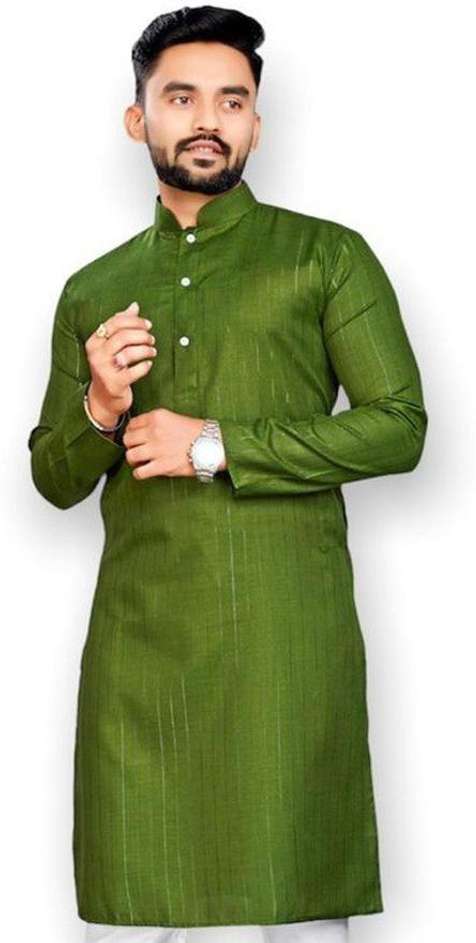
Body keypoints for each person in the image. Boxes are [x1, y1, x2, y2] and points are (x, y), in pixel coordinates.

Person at [27, 6, 428, 943]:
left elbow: (399, 427)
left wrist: (215, 444)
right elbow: (53, 477)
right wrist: (100, 403)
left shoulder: (325, 256)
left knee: (292, 912)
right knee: (132, 913)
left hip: (284, 648)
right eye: (181, 97)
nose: (208, 118)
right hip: (138, 655)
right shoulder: (94, 289)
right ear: (139, 118)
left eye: (232, 100)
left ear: (256, 123)